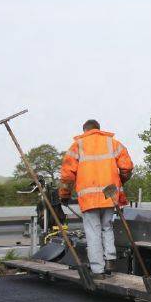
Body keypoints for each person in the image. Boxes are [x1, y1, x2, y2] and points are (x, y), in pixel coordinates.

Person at [59, 119, 133, 278]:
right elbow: (127, 167)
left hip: (89, 197)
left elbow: (67, 176)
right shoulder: (113, 143)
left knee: (93, 232)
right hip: (109, 194)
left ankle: (98, 270)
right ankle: (110, 260)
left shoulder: (77, 145)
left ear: (85, 130)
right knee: (107, 226)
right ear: (98, 129)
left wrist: (64, 195)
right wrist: (121, 181)